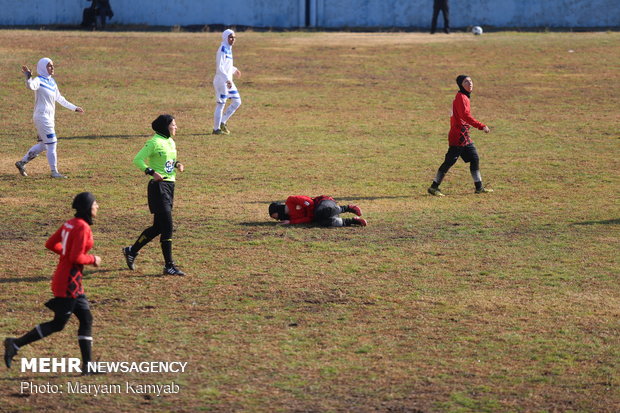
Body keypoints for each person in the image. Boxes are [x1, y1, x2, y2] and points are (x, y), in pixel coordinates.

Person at [4, 192, 102, 375]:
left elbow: (51, 244)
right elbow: (76, 257)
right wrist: (92, 259)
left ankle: (88, 366)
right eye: (95, 204)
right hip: (68, 284)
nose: (97, 207)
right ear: (88, 207)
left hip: (72, 281)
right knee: (58, 324)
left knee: (86, 319)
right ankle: (15, 343)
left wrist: (66, 256)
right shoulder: (82, 227)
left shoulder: (69, 224)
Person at [123, 115, 186, 276]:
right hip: (158, 187)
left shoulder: (170, 141)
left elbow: (168, 159)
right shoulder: (154, 142)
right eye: (173, 124)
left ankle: (131, 250)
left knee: (158, 227)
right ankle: (169, 265)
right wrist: (151, 172)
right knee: (168, 227)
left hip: (170, 186)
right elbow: (137, 160)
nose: (176, 127)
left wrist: (177, 164)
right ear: (166, 127)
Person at [15, 58, 84, 178]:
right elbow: (30, 86)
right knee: (52, 144)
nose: (52, 68)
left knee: (44, 145)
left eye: (52, 65)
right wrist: (28, 76)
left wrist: (74, 107)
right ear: (42, 68)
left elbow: (60, 98)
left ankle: (21, 163)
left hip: (49, 118)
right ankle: (54, 172)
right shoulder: (38, 80)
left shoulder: (52, 82)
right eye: (49, 66)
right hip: (42, 117)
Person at [428, 75, 493, 196]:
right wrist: (481, 126)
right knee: (449, 162)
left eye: (470, 81)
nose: (470, 83)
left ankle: (479, 187)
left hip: (464, 135)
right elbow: (465, 116)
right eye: (466, 82)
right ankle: (434, 187)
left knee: (474, 158)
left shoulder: (463, 97)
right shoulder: (461, 97)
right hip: (458, 137)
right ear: (461, 85)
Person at [212, 29, 242, 135]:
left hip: (228, 81)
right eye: (230, 37)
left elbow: (227, 65)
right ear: (225, 38)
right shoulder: (222, 49)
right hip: (222, 81)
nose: (233, 39)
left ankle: (222, 122)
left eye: (234, 37)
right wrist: (227, 79)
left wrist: (234, 70)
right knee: (221, 104)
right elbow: (220, 67)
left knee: (237, 101)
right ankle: (216, 129)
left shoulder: (229, 49)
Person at [269, 195, 367, 227]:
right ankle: (353, 221)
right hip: (322, 214)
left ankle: (347, 208)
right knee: (322, 222)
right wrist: (291, 222)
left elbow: (309, 203)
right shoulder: (292, 218)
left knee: (319, 213)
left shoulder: (291, 200)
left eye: (275, 216)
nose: (277, 219)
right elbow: (307, 219)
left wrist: (311, 214)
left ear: (277, 209)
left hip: (324, 202)